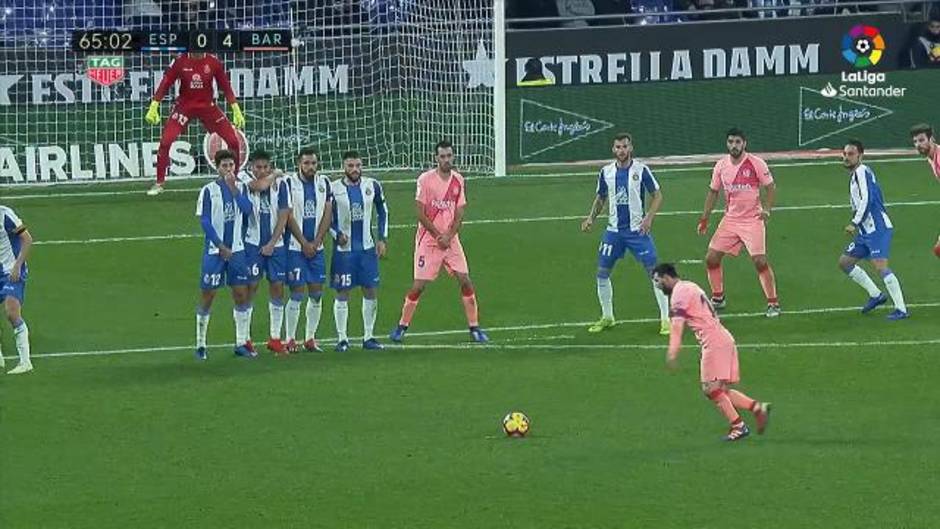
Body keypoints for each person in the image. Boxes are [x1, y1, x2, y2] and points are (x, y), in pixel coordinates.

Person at [653, 263, 771, 442]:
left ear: (667, 277)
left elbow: (677, 327)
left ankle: (739, 426)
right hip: (721, 337)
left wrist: (672, 351)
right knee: (719, 389)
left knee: (710, 389)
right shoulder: (690, 286)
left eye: (658, 281)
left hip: (714, 342)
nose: (657, 285)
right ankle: (757, 408)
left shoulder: (678, 294)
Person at [390, 140, 489, 343]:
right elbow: (420, 213)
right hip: (429, 240)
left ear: (453, 156)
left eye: (449, 156)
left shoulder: (458, 180)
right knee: (419, 285)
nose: (446, 160)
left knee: (465, 280)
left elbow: (460, 212)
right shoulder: (425, 180)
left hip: (450, 240)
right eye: (442, 156)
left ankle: (474, 327)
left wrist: (449, 236)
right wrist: (438, 236)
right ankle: (402, 326)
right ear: (436, 158)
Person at [581, 133, 670, 335]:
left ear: (631, 148)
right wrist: (590, 219)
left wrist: (649, 218)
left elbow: (657, 195)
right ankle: (607, 316)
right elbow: (601, 198)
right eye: (618, 147)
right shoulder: (606, 172)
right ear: (613, 150)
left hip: (637, 231)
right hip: (613, 232)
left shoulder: (641, 169)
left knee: (654, 273)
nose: (621, 150)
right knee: (602, 273)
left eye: (625, 146)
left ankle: (666, 320)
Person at [697, 128, 780, 317]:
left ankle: (773, 303)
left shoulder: (756, 163)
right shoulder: (721, 166)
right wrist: (704, 218)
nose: (734, 146)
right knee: (711, 258)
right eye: (731, 142)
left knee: (760, 261)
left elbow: (770, 187)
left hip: (753, 220)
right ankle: (718, 298)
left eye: (737, 142)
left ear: (744, 144)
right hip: (731, 220)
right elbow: (713, 192)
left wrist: (767, 209)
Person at [145, 52, 245, 196]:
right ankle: (159, 183)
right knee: (165, 142)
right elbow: (166, 83)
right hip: (184, 107)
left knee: (233, 141)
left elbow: (225, 86)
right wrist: (154, 105)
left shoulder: (213, 62)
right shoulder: (180, 61)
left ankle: (233, 179)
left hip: (208, 107)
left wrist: (235, 108)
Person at [837, 140, 909, 320]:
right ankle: (876, 295)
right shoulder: (855, 175)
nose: (846, 157)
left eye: (851, 154)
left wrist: (854, 222)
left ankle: (901, 309)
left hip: (877, 229)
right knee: (845, 262)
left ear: (860, 155)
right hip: (865, 232)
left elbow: (867, 199)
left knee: (880, 266)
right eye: (845, 154)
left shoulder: (862, 171)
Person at [194, 149, 255, 360]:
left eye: (231, 165)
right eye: (224, 166)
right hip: (215, 252)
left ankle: (240, 343)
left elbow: (247, 211)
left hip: (237, 251)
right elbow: (205, 221)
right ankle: (201, 344)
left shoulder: (241, 188)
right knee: (208, 295)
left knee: (241, 294)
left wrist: (235, 190)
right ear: (217, 167)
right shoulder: (208, 191)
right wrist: (219, 245)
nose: (228, 169)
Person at [330, 151, 388, 351]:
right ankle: (342, 339)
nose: (354, 170)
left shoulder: (372, 186)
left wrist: (382, 238)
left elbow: (383, 212)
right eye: (350, 166)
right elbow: (326, 218)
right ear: (343, 167)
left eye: (357, 165)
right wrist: (336, 233)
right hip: (344, 251)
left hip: (367, 249)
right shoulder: (333, 188)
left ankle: (369, 337)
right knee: (342, 292)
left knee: (370, 290)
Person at [238, 150, 292, 356]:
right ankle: (245, 338)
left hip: (275, 246)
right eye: (258, 167)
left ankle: (275, 338)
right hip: (252, 244)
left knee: (278, 287)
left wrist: (272, 242)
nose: (261, 171)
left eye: (265, 167)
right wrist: (275, 174)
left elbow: (284, 214)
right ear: (251, 167)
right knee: (250, 288)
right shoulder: (244, 179)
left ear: (269, 166)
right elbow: (260, 186)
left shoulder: (282, 185)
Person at [283, 148, 334, 352]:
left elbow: (328, 213)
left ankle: (310, 338)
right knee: (296, 291)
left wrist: (317, 241)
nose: (310, 167)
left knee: (316, 292)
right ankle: (290, 339)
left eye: (313, 163)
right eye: (306, 163)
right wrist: (304, 242)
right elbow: (287, 215)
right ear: (299, 164)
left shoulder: (325, 183)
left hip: (317, 249)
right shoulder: (288, 183)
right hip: (295, 248)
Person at [0, 205, 33, 375]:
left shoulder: (5, 214)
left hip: (11, 270)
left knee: (11, 312)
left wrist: (17, 266)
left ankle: (25, 361)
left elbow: (27, 239)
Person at [909, 123, 940, 256]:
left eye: (921, 140)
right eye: (915, 141)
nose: (918, 144)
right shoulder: (931, 158)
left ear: (931, 139)